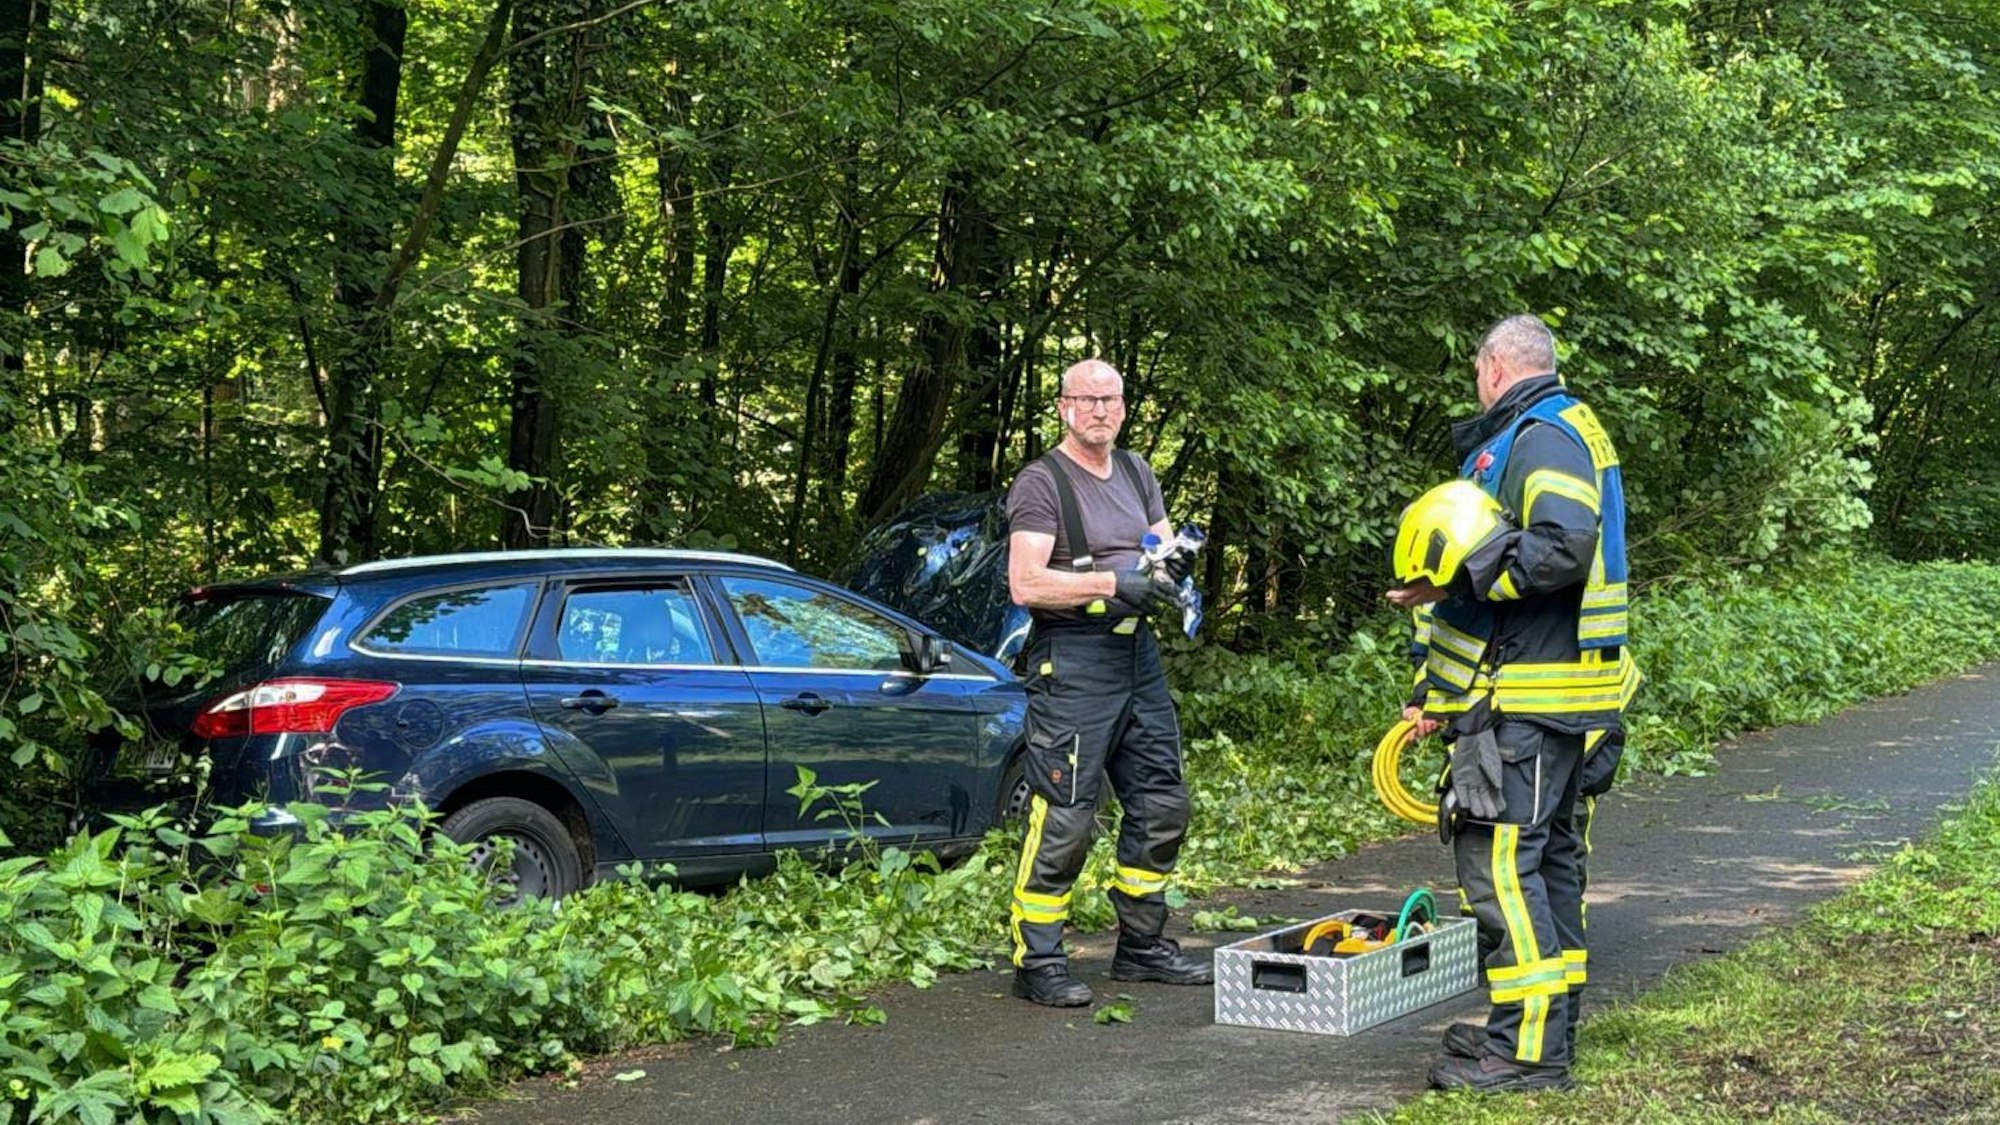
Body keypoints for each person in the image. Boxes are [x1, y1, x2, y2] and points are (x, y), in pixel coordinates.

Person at [1387, 314, 1636, 1091]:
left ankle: (1528, 1053)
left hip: (1532, 702)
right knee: (1551, 859)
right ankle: (1542, 1027)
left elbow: (1561, 547)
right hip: (1557, 697)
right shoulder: (1566, 427)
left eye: (1476, 371)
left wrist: (1458, 574)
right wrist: (1440, 694)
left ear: (1495, 367)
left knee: (1502, 866)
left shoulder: (1541, 436)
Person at [1001, 358, 1210, 1007]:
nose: (1100, 410)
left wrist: (1173, 576)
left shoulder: (1137, 470)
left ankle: (1142, 946)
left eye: (1111, 400)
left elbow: (1161, 544)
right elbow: (1025, 582)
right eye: (1087, 399)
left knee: (1161, 801)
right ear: (1064, 406)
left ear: (1123, 407)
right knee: (1066, 813)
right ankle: (1038, 959)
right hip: (1072, 659)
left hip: (1136, 658)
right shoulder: (1042, 482)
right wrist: (1110, 582)